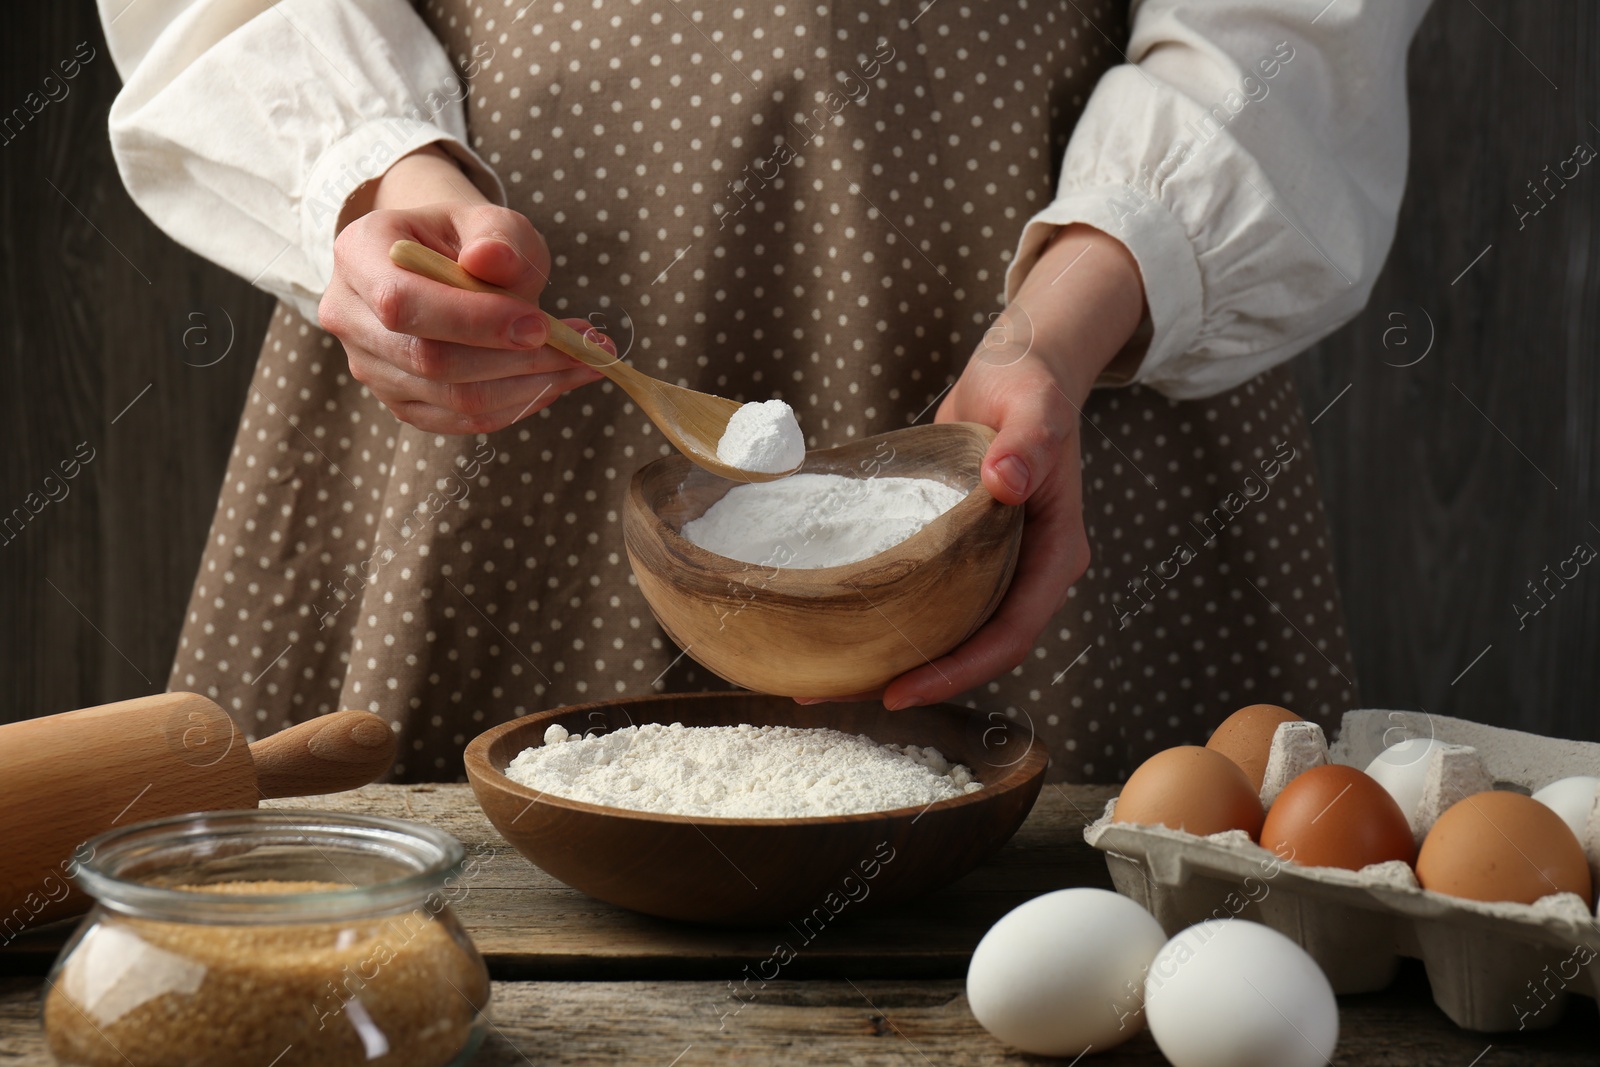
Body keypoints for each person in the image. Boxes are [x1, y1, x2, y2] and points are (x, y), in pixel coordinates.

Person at [99, 0, 1432, 780]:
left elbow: (1296, 26)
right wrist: (374, 174)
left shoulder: (1078, 314)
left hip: (1065, 284)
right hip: (473, 286)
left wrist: (1078, 309)